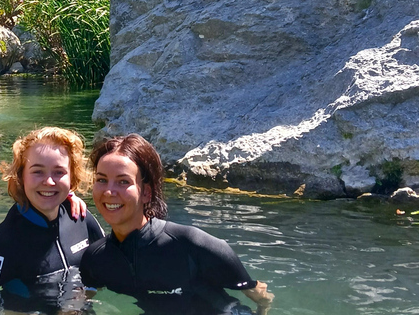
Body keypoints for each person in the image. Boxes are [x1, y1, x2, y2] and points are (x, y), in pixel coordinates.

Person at [80, 134, 274, 315]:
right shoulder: (96, 259)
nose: (109, 191)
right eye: (101, 180)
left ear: (146, 192)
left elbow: (261, 295)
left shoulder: (192, 245)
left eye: (123, 181)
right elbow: (82, 301)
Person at [0, 126, 105, 310]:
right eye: (37, 171)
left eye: (59, 172)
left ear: (72, 176)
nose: (49, 181)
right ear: (21, 176)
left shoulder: (80, 217)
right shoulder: (6, 241)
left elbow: (107, 269)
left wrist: (80, 300)